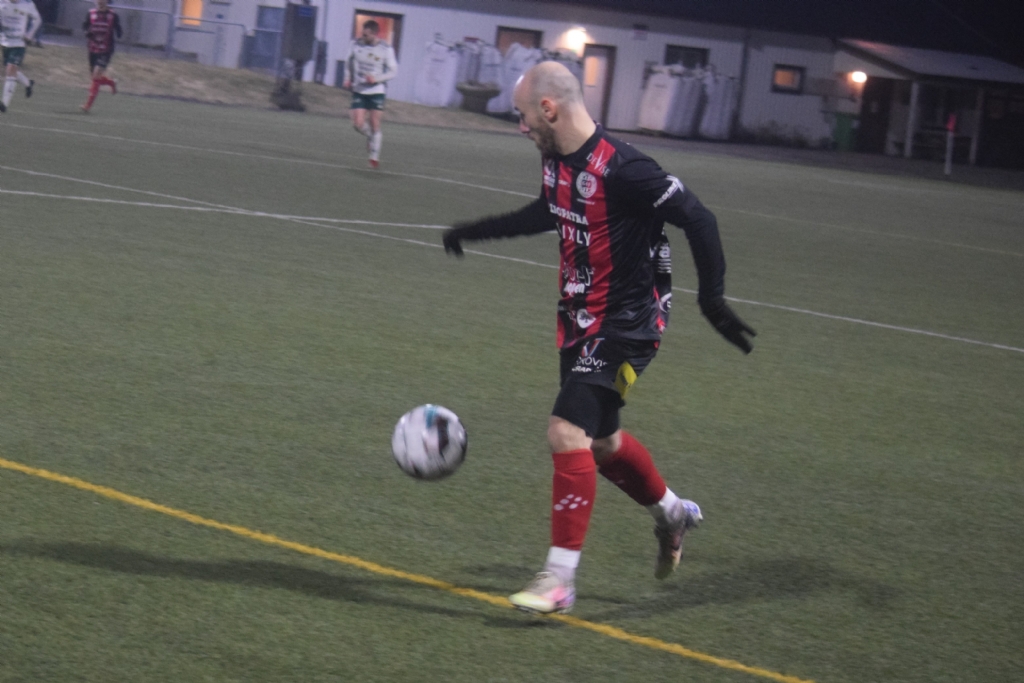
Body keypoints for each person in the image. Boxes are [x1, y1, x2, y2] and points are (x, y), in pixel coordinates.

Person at [442, 62, 756, 615]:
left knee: (566, 431)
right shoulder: (557, 159)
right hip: (579, 319)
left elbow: (699, 218)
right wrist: (478, 230)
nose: (520, 126)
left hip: (630, 324)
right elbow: (551, 209)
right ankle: (673, 514)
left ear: (548, 109)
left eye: (522, 115)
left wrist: (712, 300)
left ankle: (560, 580)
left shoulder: (627, 169)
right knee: (602, 443)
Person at [341, 19, 397, 168]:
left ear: (374, 34)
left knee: (374, 123)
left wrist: (376, 79)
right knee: (358, 124)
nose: (362, 37)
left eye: (365, 35)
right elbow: (348, 62)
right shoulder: (355, 44)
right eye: (362, 33)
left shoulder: (385, 49)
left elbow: (393, 71)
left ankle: (374, 157)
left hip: (377, 91)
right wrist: (347, 78)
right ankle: (371, 137)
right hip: (359, 89)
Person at [0, 0, 41, 113]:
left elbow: (37, 19)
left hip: (19, 44)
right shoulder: (2, 3)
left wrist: (29, 35)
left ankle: (4, 104)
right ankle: (28, 84)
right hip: (5, 42)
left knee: (11, 69)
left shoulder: (27, 4)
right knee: (12, 72)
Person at [80, 0, 121, 113]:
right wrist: (86, 32)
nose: (100, 2)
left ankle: (87, 106)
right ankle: (111, 82)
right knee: (95, 78)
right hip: (93, 49)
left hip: (106, 50)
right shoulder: (91, 13)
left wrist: (119, 32)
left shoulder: (113, 15)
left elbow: (118, 28)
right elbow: (85, 26)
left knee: (96, 74)